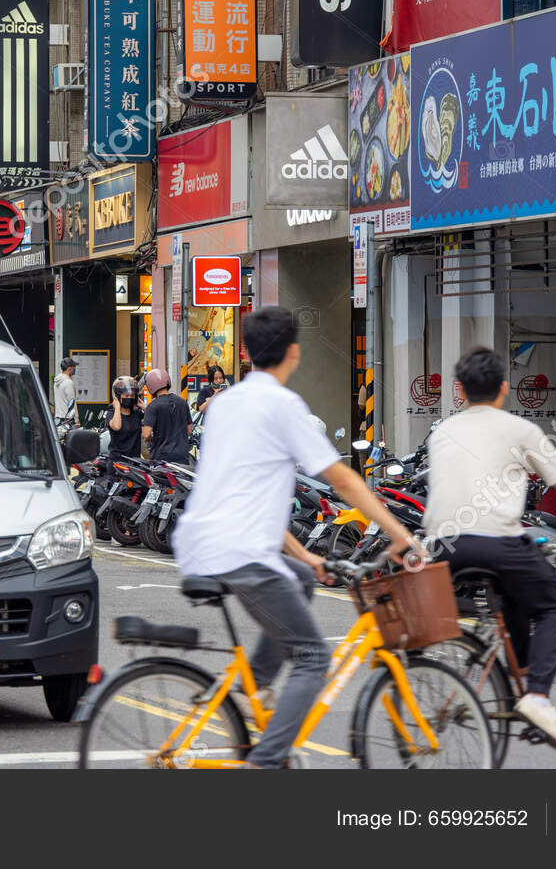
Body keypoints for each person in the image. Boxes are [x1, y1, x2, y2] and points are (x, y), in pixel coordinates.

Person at [173, 306, 416, 770]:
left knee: (300, 579)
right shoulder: (283, 406)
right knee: (310, 656)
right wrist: (399, 531)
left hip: (202, 543)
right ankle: (266, 763)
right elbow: (342, 479)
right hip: (239, 551)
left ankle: (254, 686)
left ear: (245, 352)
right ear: (294, 352)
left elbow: (244, 496)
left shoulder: (225, 403)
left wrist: (306, 555)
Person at [424, 347, 556, 754]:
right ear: (504, 388)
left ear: (459, 390)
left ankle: (516, 679)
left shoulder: (442, 430)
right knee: (554, 605)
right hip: (495, 541)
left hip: (442, 548)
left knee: (516, 597)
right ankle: (538, 697)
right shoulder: (519, 429)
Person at [141, 369, 193, 464]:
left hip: (161, 458)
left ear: (150, 386)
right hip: (182, 456)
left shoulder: (153, 406)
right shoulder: (182, 402)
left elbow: (146, 434)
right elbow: (189, 430)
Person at [106, 376, 144, 458]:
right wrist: (117, 408)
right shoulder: (111, 413)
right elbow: (116, 426)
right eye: (126, 396)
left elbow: (155, 421)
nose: (129, 398)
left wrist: (145, 408)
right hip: (117, 460)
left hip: (135, 460)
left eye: (132, 395)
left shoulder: (137, 414)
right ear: (118, 396)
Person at [52, 358, 78, 429]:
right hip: (68, 419)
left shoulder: (56, 382)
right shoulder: (68, 382)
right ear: (69, 369)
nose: (75, 369)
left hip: (58, 418)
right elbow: (72, 402)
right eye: (74, 367)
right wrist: (77, 420)